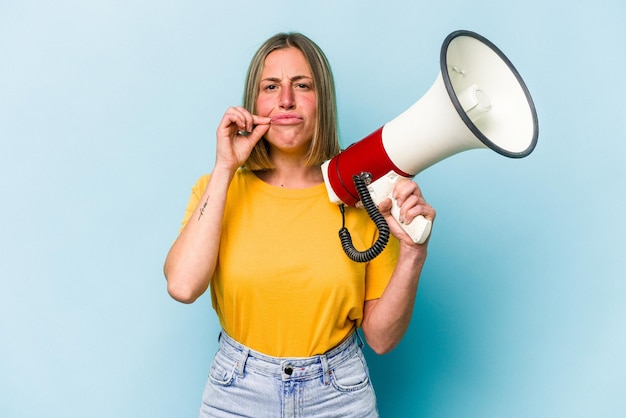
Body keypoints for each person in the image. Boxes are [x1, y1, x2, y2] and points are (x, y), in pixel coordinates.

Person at [163, 32, 436, 418]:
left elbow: (382, 339)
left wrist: (412, 253)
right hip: (238, 391)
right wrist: (226, 167)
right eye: (271, 86)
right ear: (253, 103)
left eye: (302, 85)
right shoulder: (216, 190)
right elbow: (183, 285)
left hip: (337, 393)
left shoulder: (364, 196)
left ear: (322, 99)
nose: (286, 100)